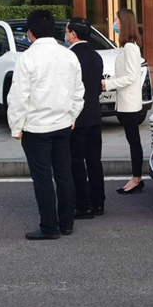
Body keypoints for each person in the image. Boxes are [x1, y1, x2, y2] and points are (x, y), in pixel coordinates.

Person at [7, 10, 84, 240]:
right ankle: (66, 224)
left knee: (42, 178)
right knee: (64, 174)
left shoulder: (27, 58)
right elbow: (78, 91)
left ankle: (50, 227)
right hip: (63, 125)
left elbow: (19, 97)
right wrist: (72, 117)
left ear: (30, 33)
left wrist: (16, 127)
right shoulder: (69, 56)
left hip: (36, 127)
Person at [65, 17, 106, 218]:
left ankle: (83, 204)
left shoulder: (70, 57)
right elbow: (97, 87)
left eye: (66, 31)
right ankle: (99, 203)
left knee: (76, 161)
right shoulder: (96, 56)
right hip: (95, 114)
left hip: (77, 116)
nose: (65, 35)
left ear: (73, 34)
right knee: (94, 160)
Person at [103, 8, 144, 194]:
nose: (114, 23)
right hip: (124, 102)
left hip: (129, 103)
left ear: (124, 23)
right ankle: (136, 177)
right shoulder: (126, 47)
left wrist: (108, 84)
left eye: (117, 20)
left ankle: (137, 178)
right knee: (132, 140)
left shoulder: (130, 48)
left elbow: (130, 77)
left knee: (134, 141)